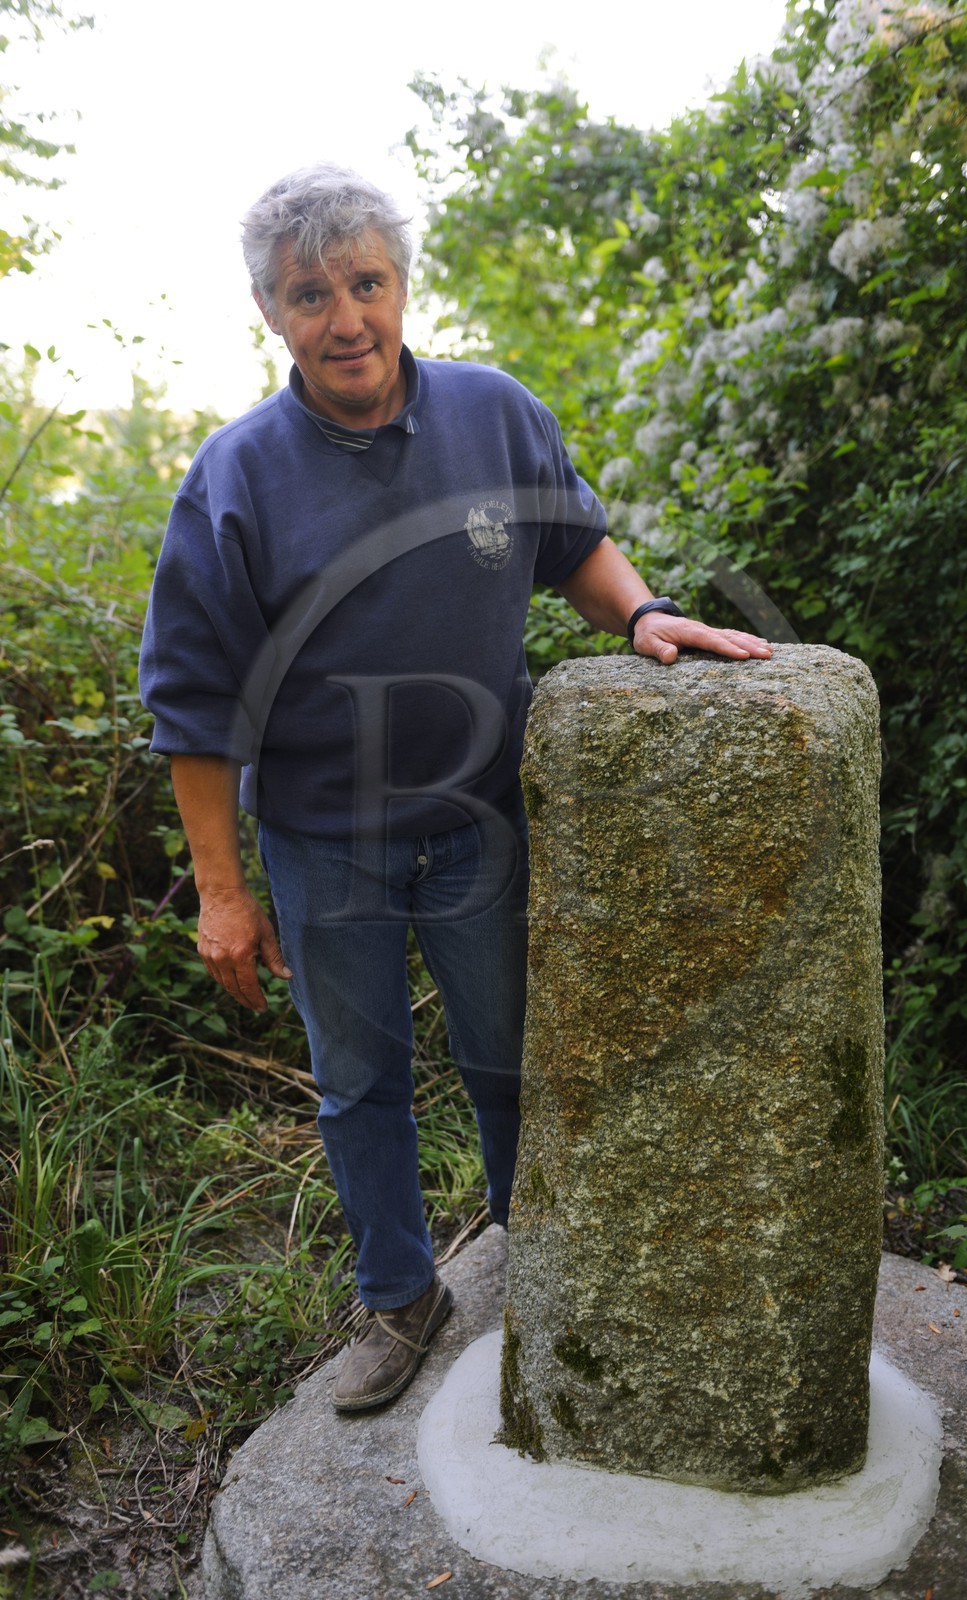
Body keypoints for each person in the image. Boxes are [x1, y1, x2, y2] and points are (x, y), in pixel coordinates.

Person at [139, 164, 773, 1413]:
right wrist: (221, 890)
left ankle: (541, 1275)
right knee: (359, 1082)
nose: (346, 317)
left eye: (365, 282)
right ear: (271, 311)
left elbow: (571, 542)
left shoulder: (494, 414)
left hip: (483, 821)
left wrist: (639, 611)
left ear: (401, 282)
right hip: (326, 842)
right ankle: (399, 1299)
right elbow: (193, 703)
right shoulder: (236, 476)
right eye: (311, 293)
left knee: (511, 1063)